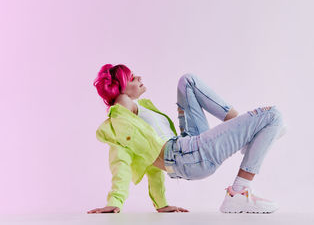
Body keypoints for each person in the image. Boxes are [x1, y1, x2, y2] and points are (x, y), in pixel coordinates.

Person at [87, 64, 286, 214]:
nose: (138, 77)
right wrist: (115, 201)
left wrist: (161, 204)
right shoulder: (122, 109)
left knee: (187, 81)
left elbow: (150, 163)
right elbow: (119, 158)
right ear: (121, 89)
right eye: (131, 77)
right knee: (273, 115)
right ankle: (240, 191)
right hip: (189, 155)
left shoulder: (138, 114)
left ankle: (251, 136)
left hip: (187, 147)